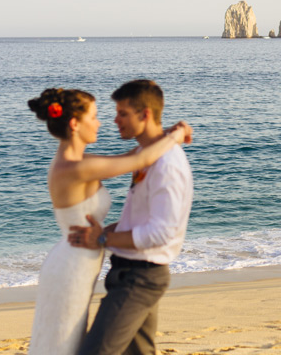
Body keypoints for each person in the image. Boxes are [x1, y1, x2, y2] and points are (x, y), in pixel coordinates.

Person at [27, 87, 192, 355]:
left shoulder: (80, 161)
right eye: (94, 116)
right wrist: (175, 134)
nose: (101, 122)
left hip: (81, 259)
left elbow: (133, 157)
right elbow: (141, 158)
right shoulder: (74, 168)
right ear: (74, 124)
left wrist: (166, 136)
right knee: (63, 342)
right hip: (72, 264)